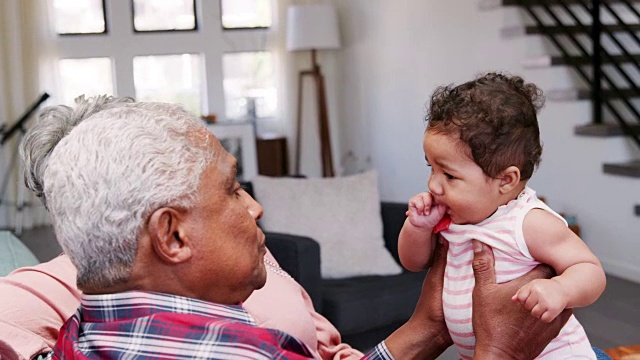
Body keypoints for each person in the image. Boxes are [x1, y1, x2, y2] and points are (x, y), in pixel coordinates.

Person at [11, 95, 571, 359]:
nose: (256, 208)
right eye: (232, 188)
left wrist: (427, 325)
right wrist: (502, 353)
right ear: (172, 235)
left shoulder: (84, 331)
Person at [397, 72, 607, 359]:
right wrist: (417, 228)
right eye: (430, 168)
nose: (433, 184)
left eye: (448, 174)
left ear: (506, 181)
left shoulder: (528, 222)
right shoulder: (451, 216)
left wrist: (560, 289)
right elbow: (413, 262)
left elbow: (590, 270)